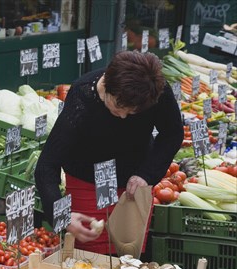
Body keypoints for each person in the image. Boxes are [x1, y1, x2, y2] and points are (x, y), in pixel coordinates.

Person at [35, 50, 183, 255]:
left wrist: (147, 174)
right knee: (87, 261)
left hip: (134, 188)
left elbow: (172, 133)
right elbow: (46, 166)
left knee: (129, 259)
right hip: (87, 186)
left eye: (132, 112)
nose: (123, 116)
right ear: (106, 86)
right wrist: (62, 215)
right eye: (118, 106)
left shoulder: (154, 91)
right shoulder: (82, 95)